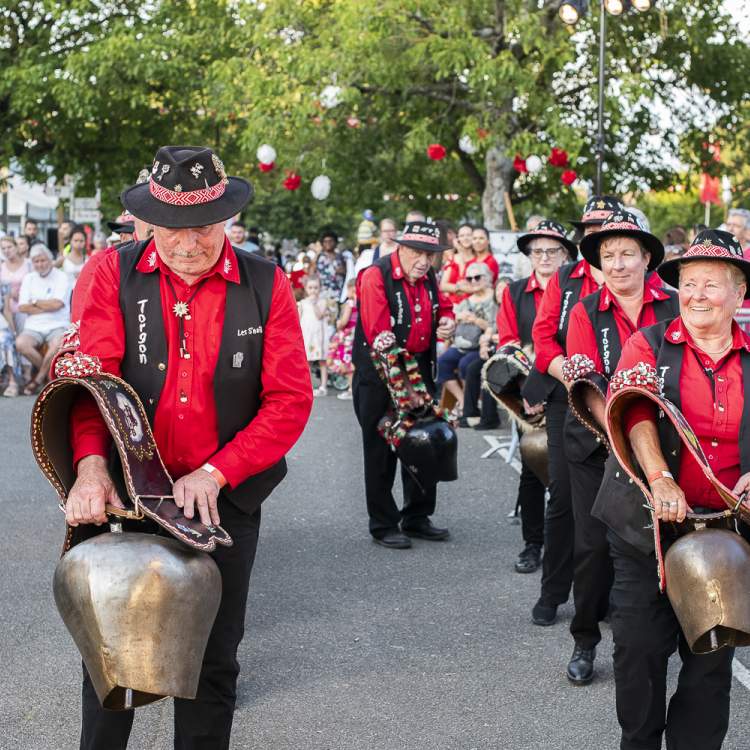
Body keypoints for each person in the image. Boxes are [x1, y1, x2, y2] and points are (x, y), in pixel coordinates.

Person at [63, 145, 312, 750]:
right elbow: (91, 382)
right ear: (149, 220)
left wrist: (218, 471)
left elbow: (289, 400)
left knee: (212, 663)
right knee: (111, 662)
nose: (186, 242)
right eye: (171, 227)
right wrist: (91, 469)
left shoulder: (266, 283)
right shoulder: (109, 272)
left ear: (227, 218)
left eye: (202, 226)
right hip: (123, 492)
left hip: (218, 498)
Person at [594, 228, 750, 749]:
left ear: (738, 294)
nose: (696, 294)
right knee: (638, 654)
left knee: (710, 666)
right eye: (688, 282)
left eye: (710, 283)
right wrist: (659, 476)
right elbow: (633, 410)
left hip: (725, 536)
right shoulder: (648, 342)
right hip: (646, 527)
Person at [562, 210, 678, 684]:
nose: (617, 264)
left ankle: (665, 638)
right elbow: (586, 382)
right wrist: (619, 435)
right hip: (597, 443)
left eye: (627, 253)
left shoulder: (673, 304)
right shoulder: (585, 310)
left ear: (647, 257)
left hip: (664, 445)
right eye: (608, 255)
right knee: (592, 548)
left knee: (664, 543)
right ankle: (584, 639)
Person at [525, 195, 621, 628]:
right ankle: (553, 590)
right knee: (564, 499)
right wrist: (569, 373)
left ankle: (607, 597)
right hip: (569, 398)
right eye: (590, 230)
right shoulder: (565, 277)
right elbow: (543, 337)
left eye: (605, 228)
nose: (597, 236)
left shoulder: (634, 274)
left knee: (619, 503)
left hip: (622, 405)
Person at [353, 220, 456, 549]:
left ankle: (417, 516)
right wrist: (405, 389)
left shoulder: (429, 278)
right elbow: (380, 336)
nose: (424, 260)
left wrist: (447, 322)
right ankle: (383, 524)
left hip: (419, 371)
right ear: (401, 248)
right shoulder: (375, 276)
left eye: (430, 254)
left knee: (424, 443)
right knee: (381, 449)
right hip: (382, 375)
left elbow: (445, 308)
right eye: (417, 252)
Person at [497, 221, 573, 573]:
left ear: (566, 255)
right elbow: (508, 345)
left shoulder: (576, 289)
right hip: (528, 394)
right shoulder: (513, 292)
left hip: (569, 388)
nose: (544, 257)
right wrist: (529, 391)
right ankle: (532, 545)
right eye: (537, 251)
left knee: (573, 472)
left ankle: (571, 548)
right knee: (530, 468)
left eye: (552, 251)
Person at [437, 262, 496, 414]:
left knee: (465, 364)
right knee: (443, 362)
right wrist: (457, 318)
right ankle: (464, 400)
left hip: (482, 346)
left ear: (487, 277)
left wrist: (476, 321)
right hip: (462, 343)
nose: (473, 281)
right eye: (469, 279)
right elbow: (452, 320)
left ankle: (473, 401)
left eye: (477, 277)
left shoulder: (494, 299)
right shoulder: (466, 301)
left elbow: (496, 326)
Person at [16, 244, 70, 395]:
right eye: (36, 261)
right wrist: (47, 304)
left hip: (58, 324)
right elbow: (22, 307)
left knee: (58, 344)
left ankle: (38, 379)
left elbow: (58, 304)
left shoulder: (61, 276)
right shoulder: (29, 278)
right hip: (33, 326)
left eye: (43, 260)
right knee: (21, 343)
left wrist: (34, 302)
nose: (40, 264)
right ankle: (48, 377)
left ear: (50, 259)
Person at [298, 274, 329, 397]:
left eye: (316, 287)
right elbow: (298, 320)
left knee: (322, 361)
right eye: (310, 288)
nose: (313, 290)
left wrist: (314, 303)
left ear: (319, 288)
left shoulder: (322, 302)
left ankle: (323, 386)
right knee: (307, 362)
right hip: (307, 335)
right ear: (306, 288)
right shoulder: (302, 303)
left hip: (319, 336)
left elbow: (319, 316)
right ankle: (307, 386)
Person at [327, 277, 357, 399]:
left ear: (350, 290)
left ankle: (351, 390)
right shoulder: (362, 302)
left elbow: (344, 321)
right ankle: (353, 389)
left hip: (348, 336)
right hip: (357, 335)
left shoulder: (350, 303)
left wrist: (338, 323)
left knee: (346, 363)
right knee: (354, 364)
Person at [440, 223, 476, 305]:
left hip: (472, 305)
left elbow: (477, 288)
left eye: (468, 235)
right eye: (462, 235)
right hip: (451, 304)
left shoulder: (478, 260)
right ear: (458, 238)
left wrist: (452, 288)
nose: (465, 238)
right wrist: (461, 288)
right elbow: (442, 286)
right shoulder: (452, 259)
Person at [0, 236, 31, 331]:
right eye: (3, 248)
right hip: (6, 310)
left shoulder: (29, 264)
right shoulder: (1, 267)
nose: (6, 251)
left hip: (25, 308)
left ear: (16, 247)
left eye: (9, 247)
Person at [0, 280, 21, 397]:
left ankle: (12, 382)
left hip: (1, 323)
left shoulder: (4, 285)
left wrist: (13, 331)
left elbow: (7, 310)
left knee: (6, 340)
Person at [315, 230, 346, 301]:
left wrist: (342, 271)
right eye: (325, 241)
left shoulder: (341, 257)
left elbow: (347, 272)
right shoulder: (319, 257)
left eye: (330, 241)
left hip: (339, 294)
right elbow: (311, 272)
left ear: (335, 242)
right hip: (323, 294)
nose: (328, 243)